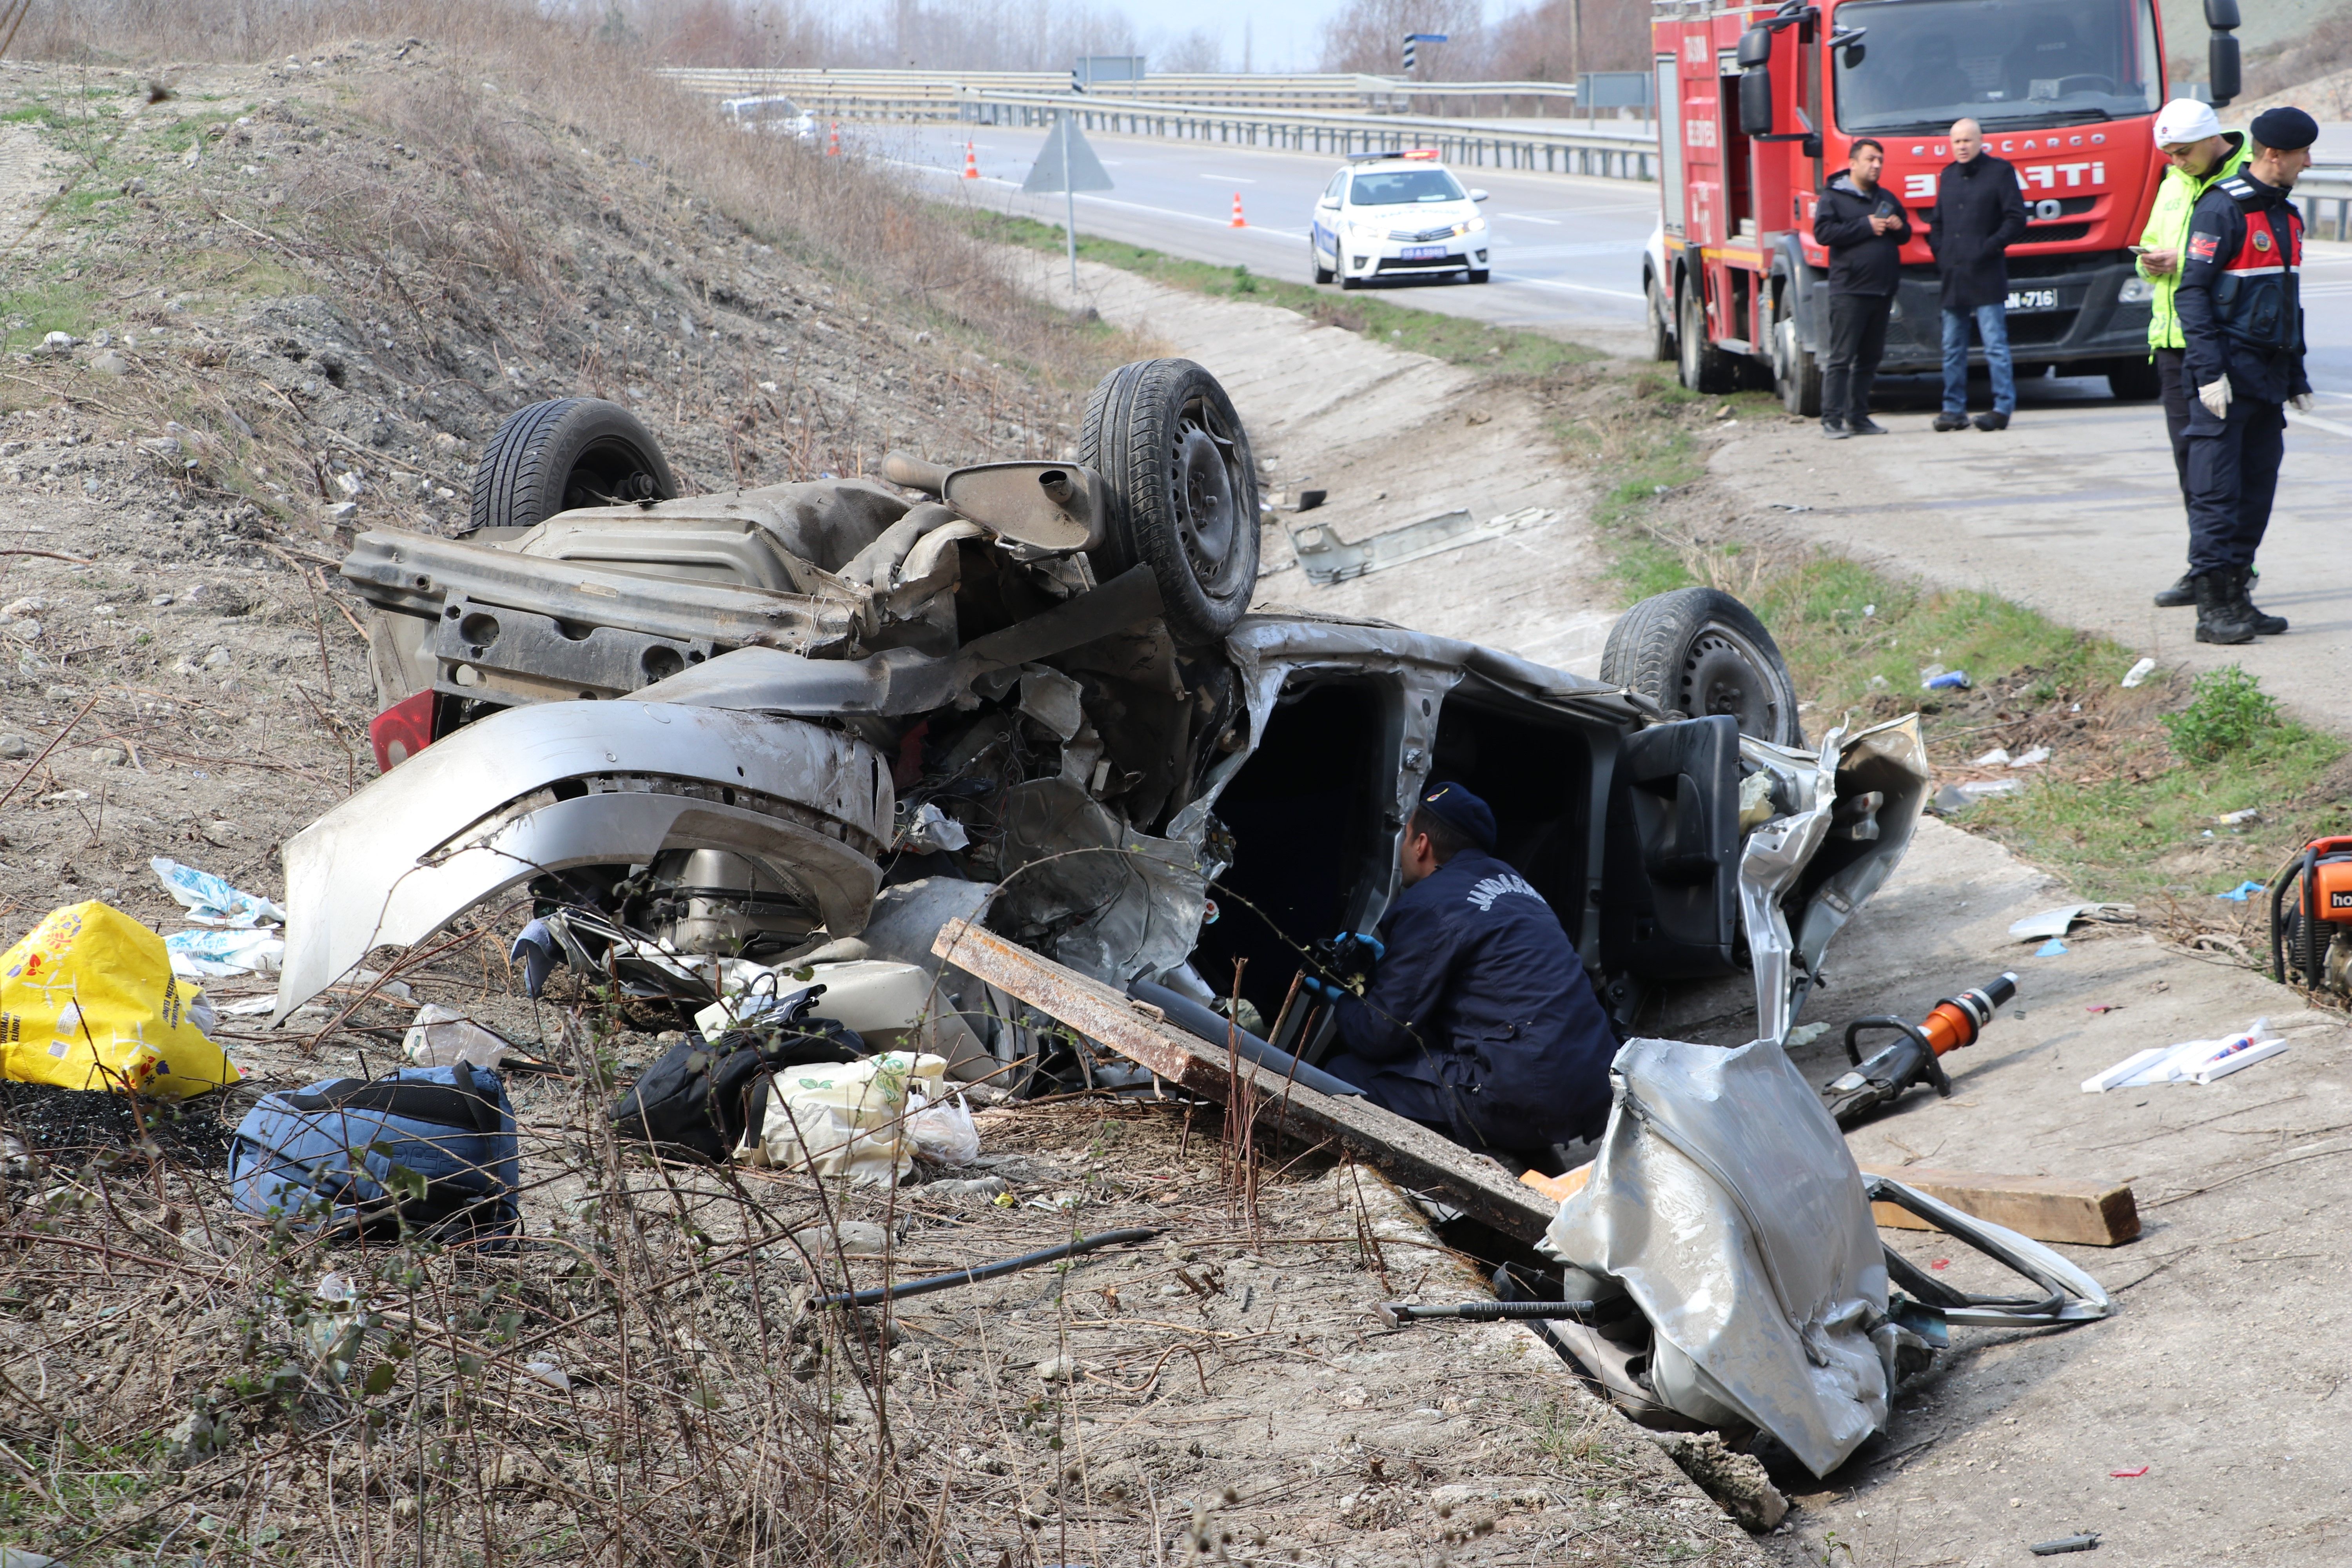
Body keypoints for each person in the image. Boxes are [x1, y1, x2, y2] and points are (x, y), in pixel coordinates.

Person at [1316, 782, 1619, 1168]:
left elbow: (1381, 1033)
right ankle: (1529, 1161)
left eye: (1406, 836)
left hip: (1530, 1092)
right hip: (1592, 1087)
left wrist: (1344, 1001)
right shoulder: (1521, 888)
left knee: (1346, 1076)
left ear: (1421, 844)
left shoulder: (1428, 903)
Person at [2174, 106, 2316, 645]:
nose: (2308, 162)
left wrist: (2297, 374)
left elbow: (2288, 302)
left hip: (2268, 381)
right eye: (2302, 154)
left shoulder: (2287, 216)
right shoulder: (2222, 210)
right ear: (2273, 155)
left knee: (2256, 494)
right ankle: (2213, 611)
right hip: (2226, 379)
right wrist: (2209, 372)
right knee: (2217, 495)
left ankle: (2239, 596)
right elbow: (2193, 294)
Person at [2138, 99, 2252, 610]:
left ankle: (2233, 568)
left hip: (2221, 341)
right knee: (2191, 467)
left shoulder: (2243, 185)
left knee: (2227, 468)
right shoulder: (2172, 182)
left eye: (2183, 152)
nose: (2176, 162)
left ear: (2211, 138)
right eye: (2168, 154)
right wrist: (2153, 263)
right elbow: (2148, 248)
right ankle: (2204, 564)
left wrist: (2182, 261)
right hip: (2171, 342)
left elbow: (2240, 257)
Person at [1924, 118, 2028, 432]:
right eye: (1957, 142)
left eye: (1968, 141)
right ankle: (1953, 409)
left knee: (1995, 344)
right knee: (1952, 345)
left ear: (1981, 141)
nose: (1962, 147)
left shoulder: (2000, 172)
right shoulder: (1948, 176)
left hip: (1986, 272)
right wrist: (1940, 252)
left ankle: (2001, 408)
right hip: (1953, 275)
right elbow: (1938, 221)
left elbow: (2016, 218)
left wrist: (1989, 247)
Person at [1811, 138, 1913, 439]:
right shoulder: (1834, 197)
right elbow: (1824, 233)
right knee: (1842, 357)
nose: (1876, 166)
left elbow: (1906, 235)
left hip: (1882, 290)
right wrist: (1866, 226)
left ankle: (1859, 417)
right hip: (1850, 291)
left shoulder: (1886, 197)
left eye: (1880, 160)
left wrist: (1897, 225)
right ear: (1853, 163)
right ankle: (1831, 419)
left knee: (1869, 360)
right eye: (1870, 160)